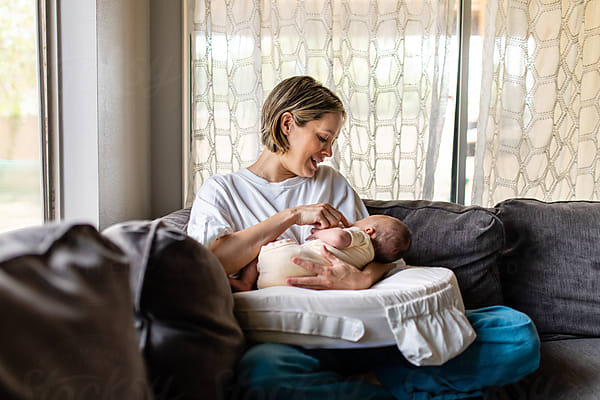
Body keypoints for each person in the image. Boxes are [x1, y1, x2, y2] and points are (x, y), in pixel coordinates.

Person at [187, 75, 540, 400]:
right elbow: (210, 262)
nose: (328, 152)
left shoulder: (331, 183)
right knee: (263, 376)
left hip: (368, 330)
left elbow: (383, 258)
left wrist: (359, 280)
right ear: (287, 124)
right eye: (323, 138)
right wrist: (291, 216)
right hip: (292, 341)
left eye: (332, 141)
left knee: (516, 334)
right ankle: (406, 385)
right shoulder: (223, 190)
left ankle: (377, 381)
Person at [257, 214, 411, 289]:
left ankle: (246, 281)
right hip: (278, 284)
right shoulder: (366, 260)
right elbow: (394, 262)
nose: (353, 223)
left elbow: (339, 238)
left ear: (368, 230)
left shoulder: (361, 236)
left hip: (283, 258)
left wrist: (318, 233)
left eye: (362, 220)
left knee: (263, 247)